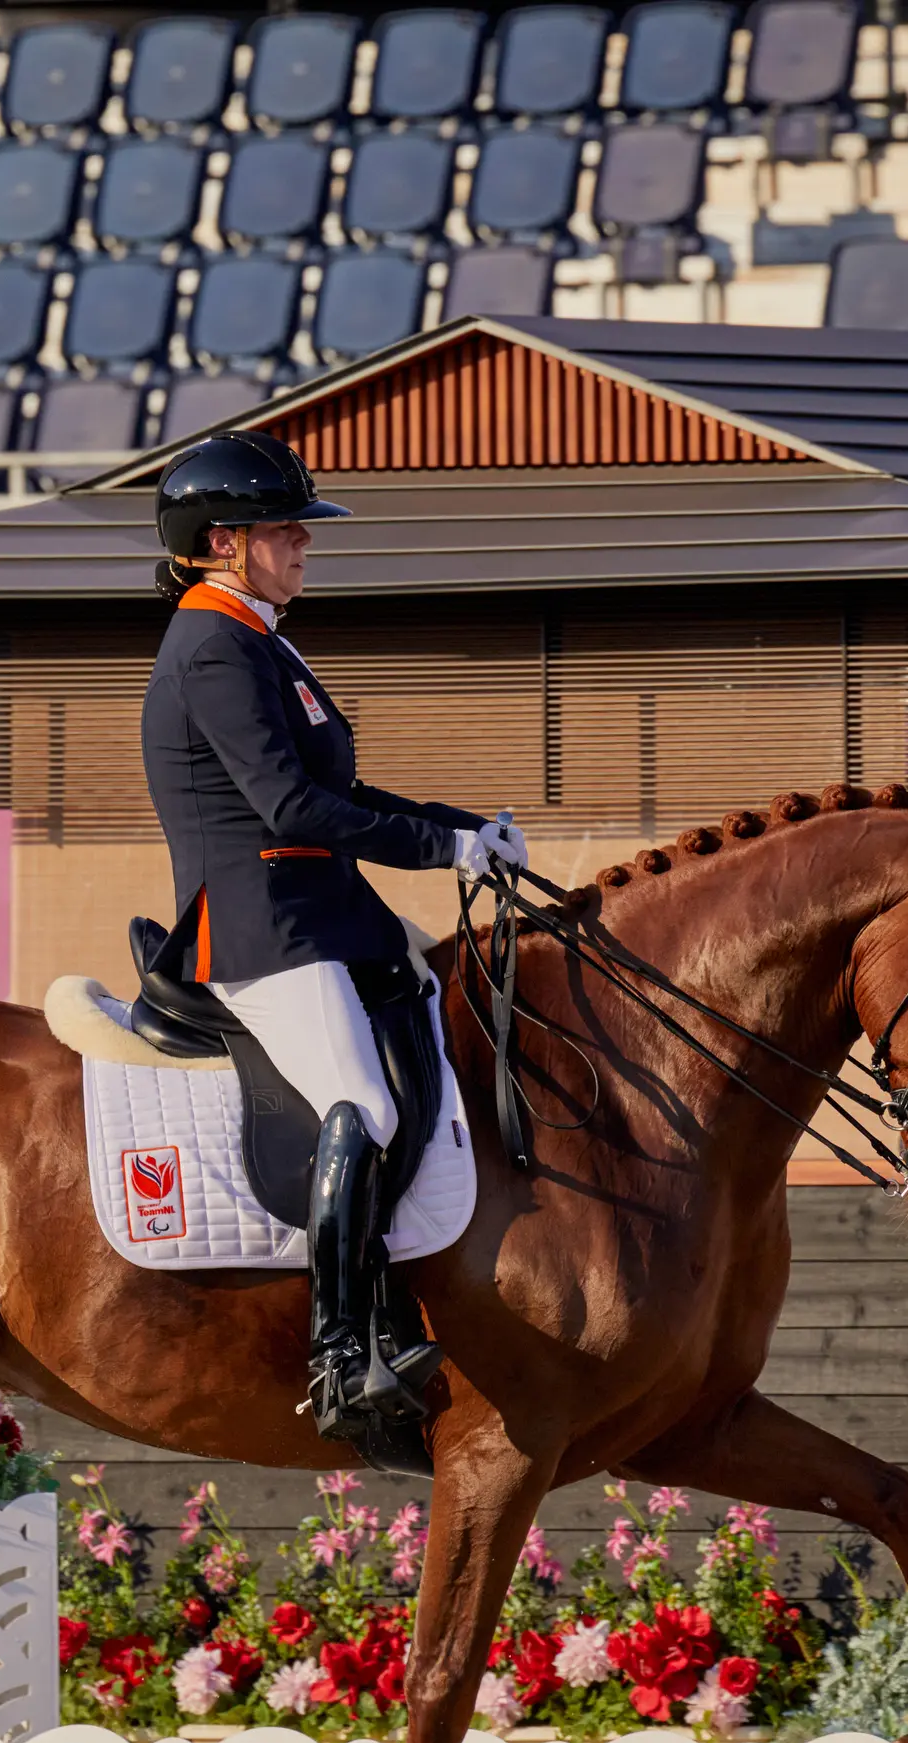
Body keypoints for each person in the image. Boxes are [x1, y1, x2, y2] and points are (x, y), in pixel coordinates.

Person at [138, 432, 530, 1447]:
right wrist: (441, 846)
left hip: (322, 913)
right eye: (285, 529)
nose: (305, 544)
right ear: (222, 543)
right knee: (363, 1102)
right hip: (262, 924)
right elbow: (292, 807)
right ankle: (341, 1353)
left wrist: (466, 830)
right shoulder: (213, 646)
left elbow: (344, 790)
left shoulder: (260, 637)